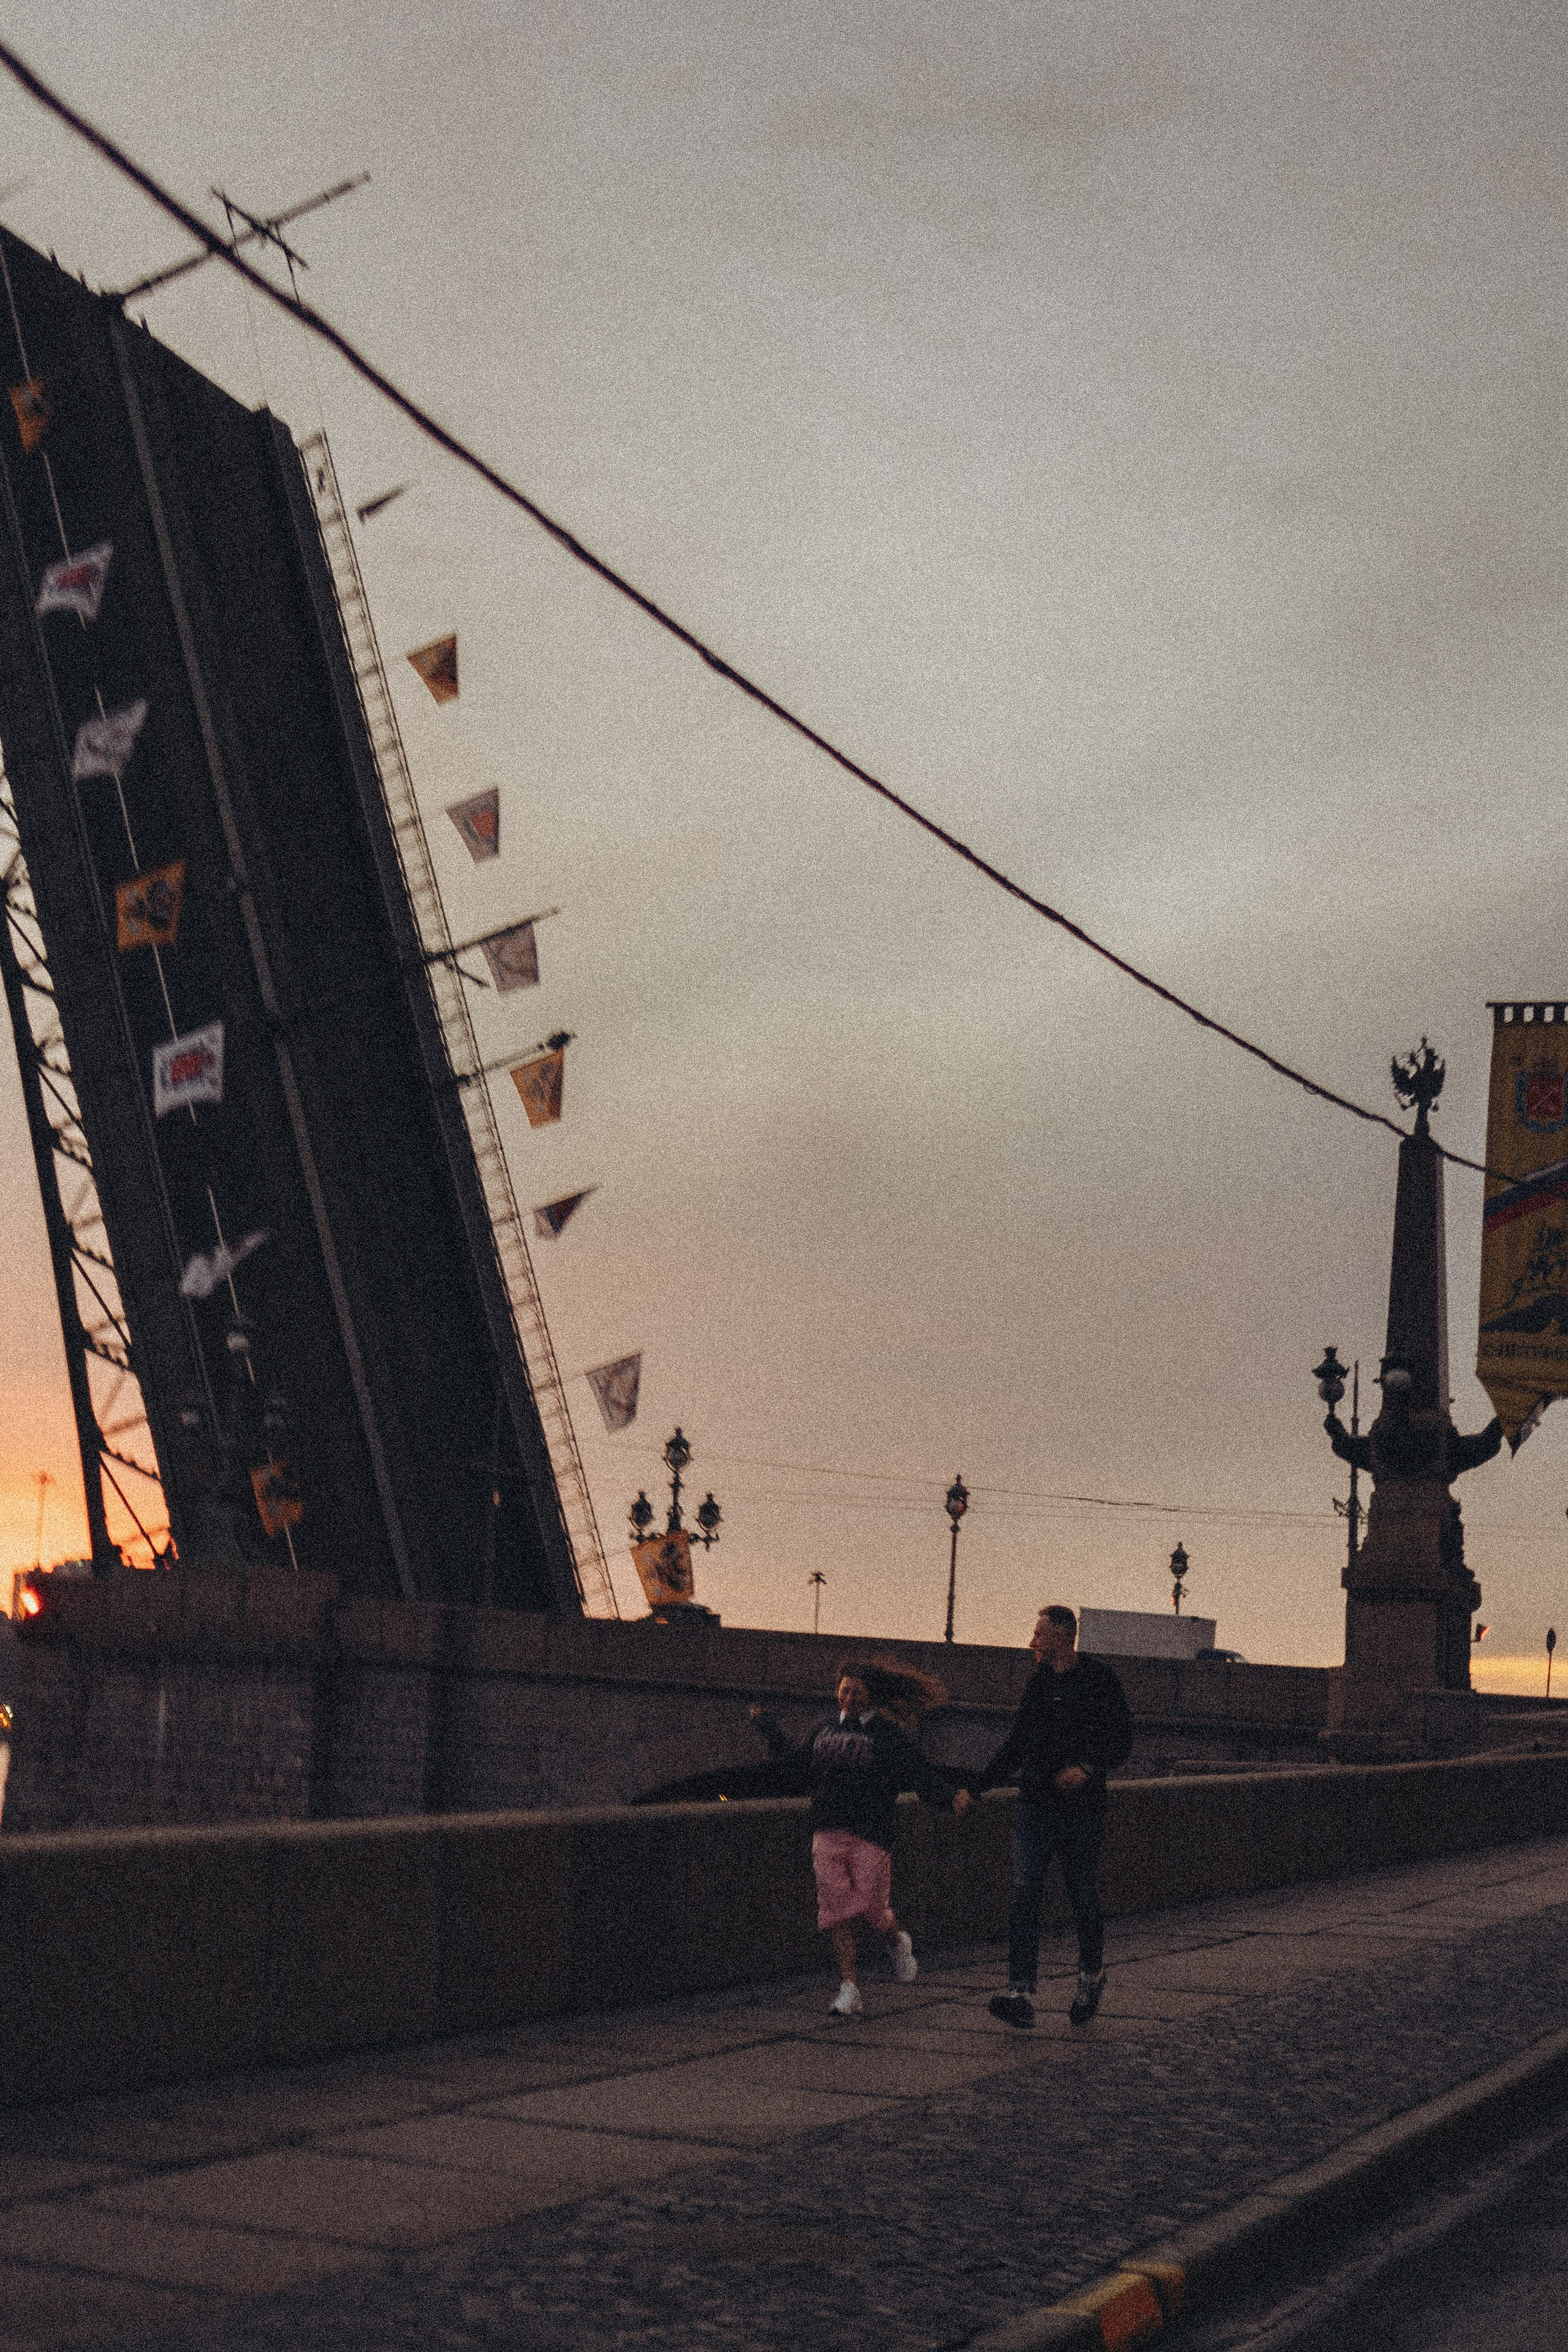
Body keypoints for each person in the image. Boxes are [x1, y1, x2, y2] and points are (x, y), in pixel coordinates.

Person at [752, 1659, 971, 2016]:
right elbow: (796, 1765)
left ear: (871, 1695)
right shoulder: (823, 1730)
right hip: (827, 1829)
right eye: (845, 1690)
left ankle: (898, 1941)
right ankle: (849, 1988)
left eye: (857, 1691)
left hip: (872, 1832)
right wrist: (767, 1728)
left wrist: (949, 1798)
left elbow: (919, 1772)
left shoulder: (887, 1734)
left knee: (872, 1909)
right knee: (835, 1910)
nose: (850, 1697)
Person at [971, 1604, 1132, 2029]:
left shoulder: (1099, 1680)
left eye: (1039, 1634)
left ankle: (1091, 1977)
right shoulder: (1038, 1685)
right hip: (1036, 1806)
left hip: (1082, 1812)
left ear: (1063, 1636)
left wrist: (1088, 1768)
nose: (1032, 1642)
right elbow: (1017, 1746)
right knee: (1025, 1895)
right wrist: (976, 1788)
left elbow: (1123, 1738)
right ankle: (1020, 1994)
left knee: (1082, 1895)